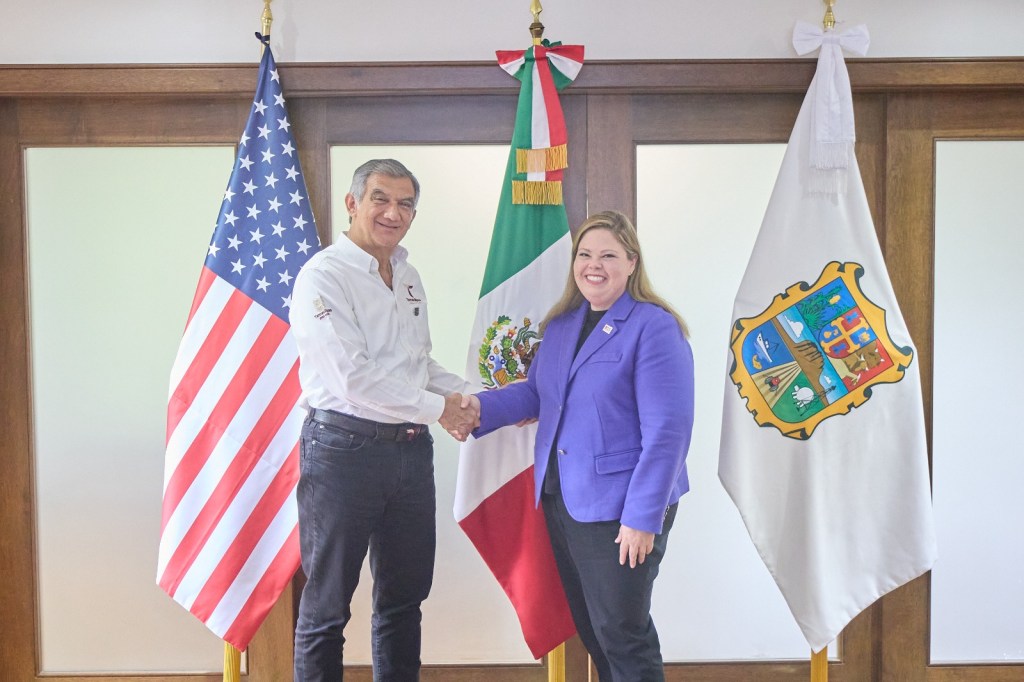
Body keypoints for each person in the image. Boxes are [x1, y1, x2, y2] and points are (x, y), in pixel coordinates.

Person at [464, 210, 694, 681]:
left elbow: (669, 431)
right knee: (593, 630)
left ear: (631, 263)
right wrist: (473, 409)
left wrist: (641, 518)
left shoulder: (654, 326)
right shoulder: (563, 325)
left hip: (621, 508)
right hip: (564, 498)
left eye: (609, 255)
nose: (595, 264)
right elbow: (537, 394)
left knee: (623, 633)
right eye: (585, 254)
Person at [289, 158, 479, 681]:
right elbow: (353, 378)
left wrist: (475, 398)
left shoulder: (409, 275)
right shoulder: (323, 276)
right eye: (381, 199)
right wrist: (442, 409)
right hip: (343, 454)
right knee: (326, 608)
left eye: (406, 203)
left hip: (410, 454)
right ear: (353, 204)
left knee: (403, 601)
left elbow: (416, 366)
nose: (393, 212)